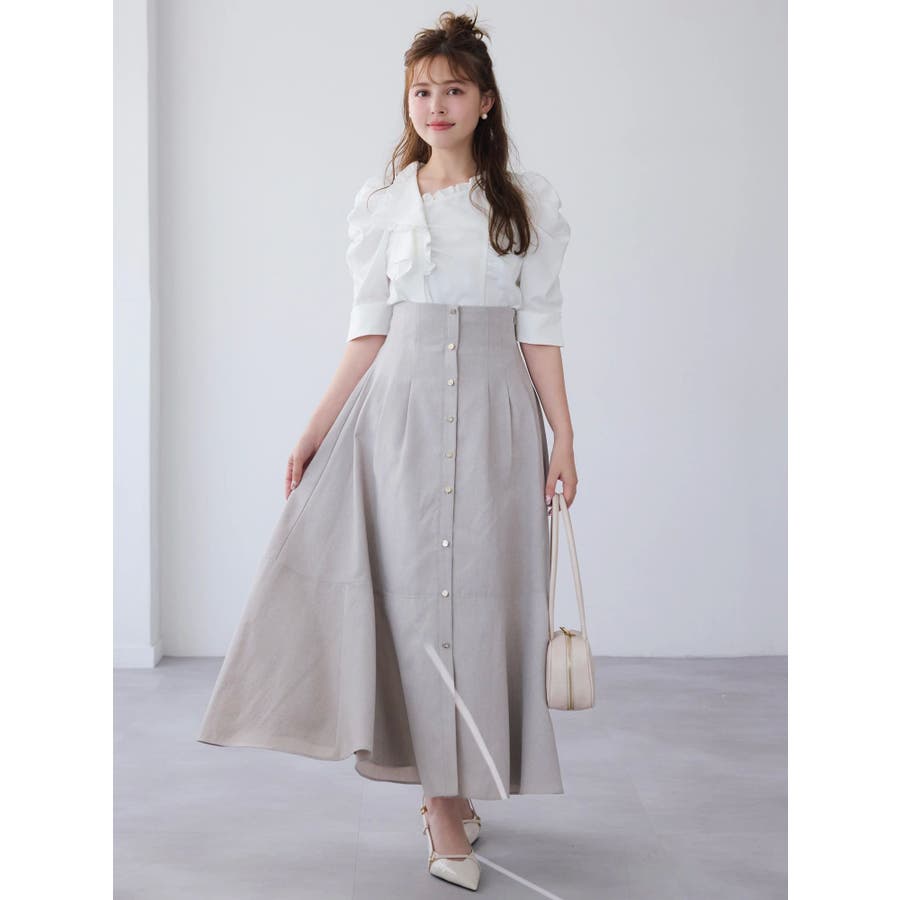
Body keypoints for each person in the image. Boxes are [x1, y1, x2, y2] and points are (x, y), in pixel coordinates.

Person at [197, 10, 578, 892]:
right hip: (399, 412)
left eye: (453, 90)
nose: (435, 105)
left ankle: (460, 783)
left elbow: (542, 328)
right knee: (415, 604)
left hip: (497, 417)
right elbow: (368, 330)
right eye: (421, 92)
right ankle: (441, 805)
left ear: (485, 101)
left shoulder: (526, 202)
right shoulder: (382, 206)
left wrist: (564, 435)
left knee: (481, 603)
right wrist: (314, 428)